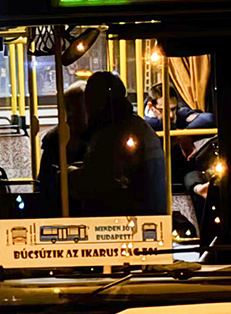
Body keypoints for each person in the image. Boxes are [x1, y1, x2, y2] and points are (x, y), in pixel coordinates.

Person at [71, 71, 166, 216]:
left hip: (124, 218)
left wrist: (69, 175)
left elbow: (98, 184)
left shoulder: (111, 133)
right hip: (151, 214)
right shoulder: (138, 126)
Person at [35, 81, 87, 213]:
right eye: (68, 109)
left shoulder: (98, 137)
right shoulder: (54, 139)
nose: (70, 115)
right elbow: (44, 182)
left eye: (76, 109)